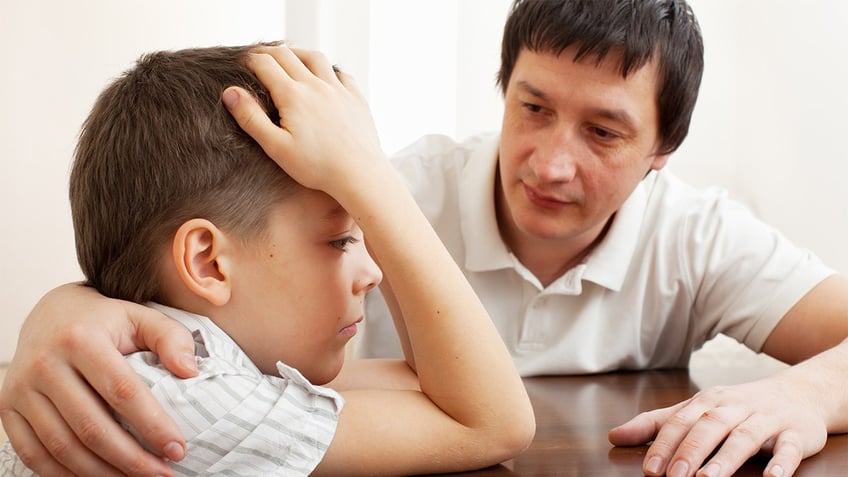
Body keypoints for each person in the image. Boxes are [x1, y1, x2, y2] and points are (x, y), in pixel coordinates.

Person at [2, 0, 848, 476]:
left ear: (663, 153)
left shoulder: (698, 236)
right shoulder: (368, 191)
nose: (551, 163)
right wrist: (68, 305)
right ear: (502, 89)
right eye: (534, 107)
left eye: (603, 133)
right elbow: (173, 275)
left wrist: (808, 394)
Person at [0, 43, 535, 476]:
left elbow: (436, 389)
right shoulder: (191, 396)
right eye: (341, 240)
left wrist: (364, 170)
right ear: (209, 262)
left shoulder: (206, 359)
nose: (372, 274)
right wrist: (375, 185)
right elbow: (492, 423)